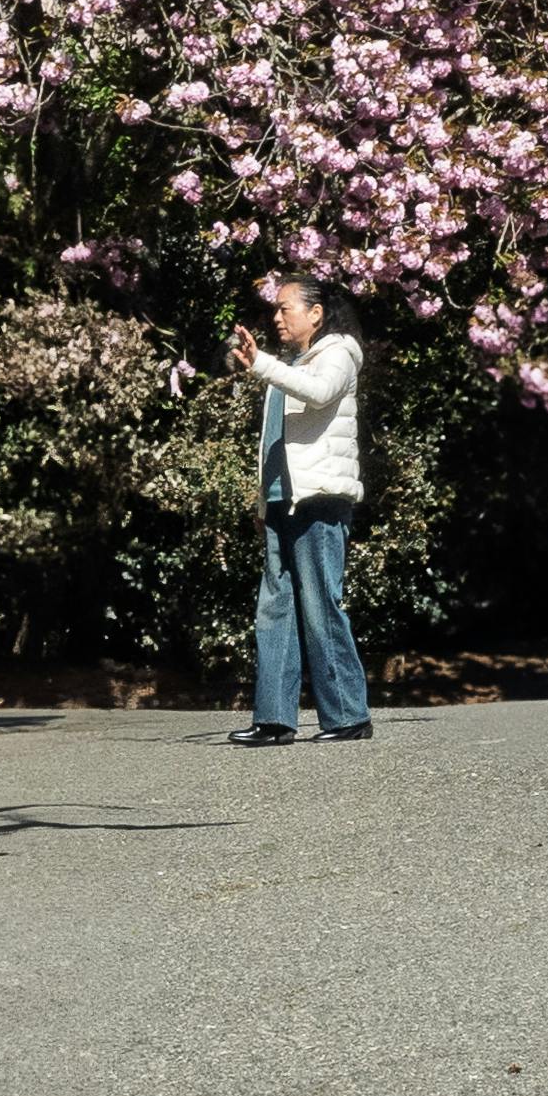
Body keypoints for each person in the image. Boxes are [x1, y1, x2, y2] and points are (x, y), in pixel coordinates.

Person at [229, 276, 373, 746]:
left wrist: (262, 365)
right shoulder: (287, 364)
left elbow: (318, 392)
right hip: (280, 499)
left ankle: (348, 715)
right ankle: (274, 719)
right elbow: (274, 438)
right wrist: (261, 497)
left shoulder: (337, 354)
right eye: (274, 309)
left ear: (315, 313)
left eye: (284, 308)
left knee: (318, 606)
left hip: (318, 498)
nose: (276, 317)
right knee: (274, 610)